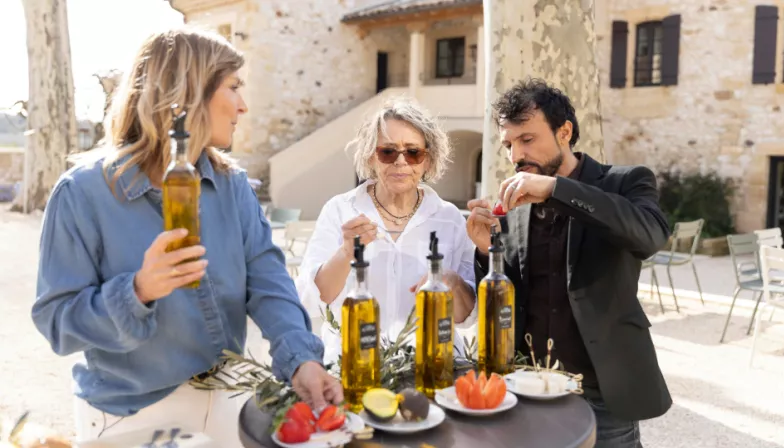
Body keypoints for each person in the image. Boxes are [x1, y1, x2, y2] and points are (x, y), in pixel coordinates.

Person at [31, 28, 341, 446]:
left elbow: (270, 285)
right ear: (188, 94)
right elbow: (57, 324)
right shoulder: (82, 194)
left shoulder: (233, 186)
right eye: (233, 87)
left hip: (230, 398)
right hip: (130, 413)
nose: (243, 105)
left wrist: (301, 359)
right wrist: (137, 292)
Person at [467, 78, 671, 447]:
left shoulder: (624, 182)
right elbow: (511, 296)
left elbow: (650, 236)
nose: (515, 156)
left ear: (564, 132)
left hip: (603, 392)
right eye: (509, 144)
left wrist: (557, 190)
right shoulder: (513, 204)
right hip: (526, 387)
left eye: (527, 139)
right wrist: (487, 253)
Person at [296, 97, 477, 365]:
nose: (401, 162)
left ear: (428, 160)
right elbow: (313, 299)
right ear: (372, 157)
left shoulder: (449, 218)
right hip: (354, 365)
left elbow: (466, 317)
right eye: (388, 152)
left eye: (413, 152)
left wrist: (451, 282)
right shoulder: (340, 210)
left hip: (434, 365)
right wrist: (346, 252)